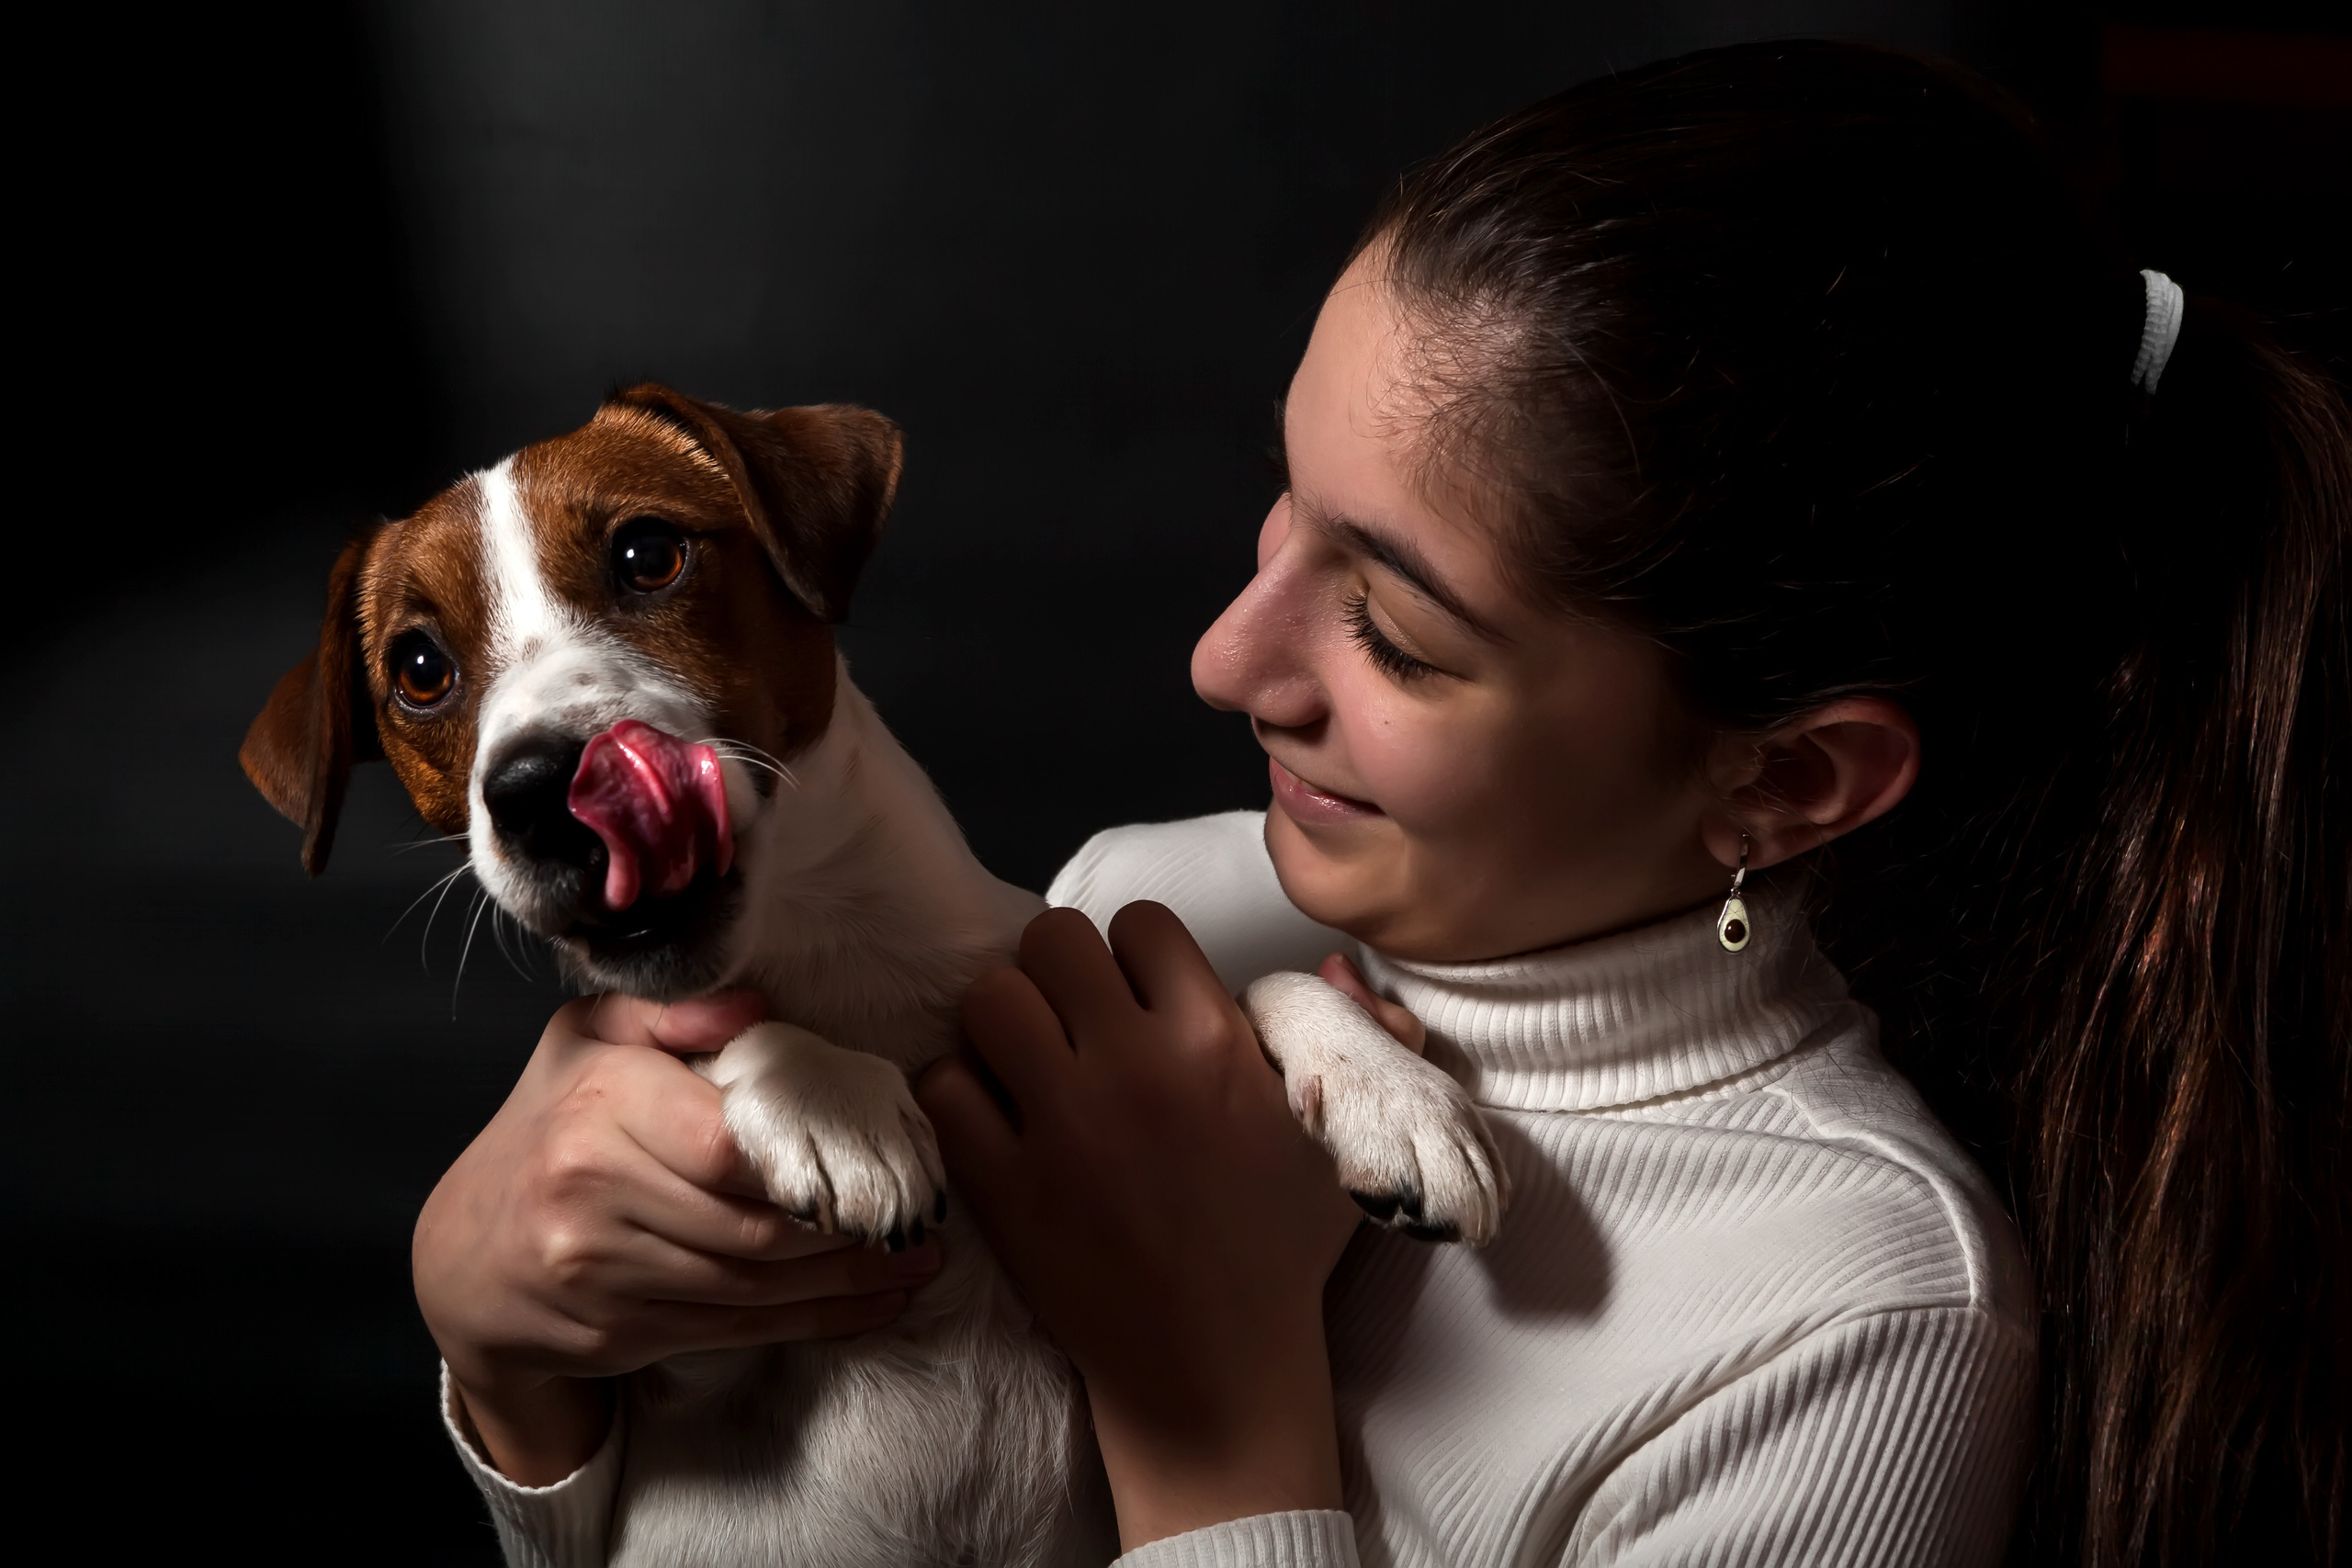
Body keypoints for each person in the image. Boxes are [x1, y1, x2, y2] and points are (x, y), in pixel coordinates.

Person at [412, 41, 2349, 1568]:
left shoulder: (1852, 1334)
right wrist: (516, 1370)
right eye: (1283, 507)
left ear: (1785, 775)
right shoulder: (1125, 923)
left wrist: (1209, 1411)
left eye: (1397, 627)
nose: (1222, 659)